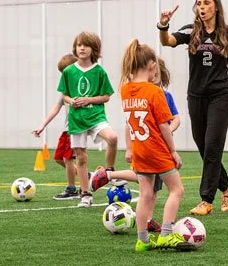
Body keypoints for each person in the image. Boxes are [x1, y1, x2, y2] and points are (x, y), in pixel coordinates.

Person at [157, 0, 228, 216]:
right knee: (204, 147)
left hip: (220, 96)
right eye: (199, 4)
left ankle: (206, 200)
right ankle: (227, 189)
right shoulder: (191, 31)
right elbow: (167, 42)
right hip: (196, 96)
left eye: (206, 3)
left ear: (216, 7)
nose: (202, 7)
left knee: (212, 146)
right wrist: (163, 25)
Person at [117, 40, 195, 252]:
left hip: (140, 150)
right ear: (152, 65)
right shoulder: (154, 92)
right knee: (177, 190)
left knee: (146, 194)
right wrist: (173, 151)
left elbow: (129, 122)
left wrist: (130, 148)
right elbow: (164, 126)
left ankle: (142, 240)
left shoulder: (125, 90)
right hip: (156, 149)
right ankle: (166, 235)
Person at [91, 56, 181, 232]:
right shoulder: (152, 94)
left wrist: (170, 129)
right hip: (156, 149)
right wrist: (130, 148)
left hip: (148, 146)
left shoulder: (158, 94)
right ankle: (109, 176)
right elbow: (134, 124)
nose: (154, 77)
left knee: (150, 189)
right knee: (163, 188)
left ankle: (145, 226)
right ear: (150, 70)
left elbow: (175, 118)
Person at [58, 31, 118, 208]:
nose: (82, 48)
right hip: (76, 120)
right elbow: (64, 95)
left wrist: (89, 100)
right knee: (81, 158)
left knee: (113, 138)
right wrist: (72, 101)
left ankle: (109, 172)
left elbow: (107, 96)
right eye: (79, 45)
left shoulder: (99, 71)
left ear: (94, 49)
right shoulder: (69, 71)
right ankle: (85, 194)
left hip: (96, 116)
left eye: (86, 45)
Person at [32, 53, 80, 199]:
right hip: (66, 130)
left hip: (75, 128)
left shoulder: (79, 88)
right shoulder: (66, 91)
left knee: (67, 159)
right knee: (59, 158)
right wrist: (42, 125)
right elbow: (56, 108)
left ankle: (72, 189)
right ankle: (88, 176)